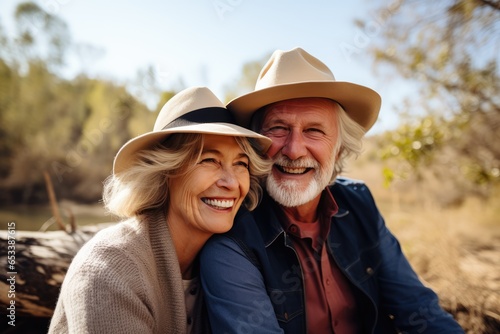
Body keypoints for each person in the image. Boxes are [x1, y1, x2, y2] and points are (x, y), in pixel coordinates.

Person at [200, 48, 464, 333]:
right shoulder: (233, 238)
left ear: (339, 150)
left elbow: (417, 307)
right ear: (255, 146)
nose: (294, 150)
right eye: (278, 128)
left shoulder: (359, 204)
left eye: (314, 130)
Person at [48, 86, 272, 334]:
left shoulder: (229, 259)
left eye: (240, 163)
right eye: (209, 160)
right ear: (166, 172)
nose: (231, 183)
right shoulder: (110, 269)